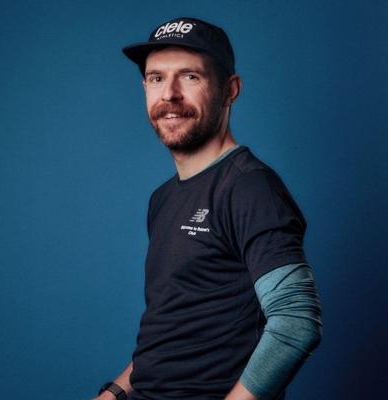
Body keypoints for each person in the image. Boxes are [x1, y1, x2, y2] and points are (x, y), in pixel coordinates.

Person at [94, 17, 322, 400]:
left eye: (190, 77)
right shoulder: (163, 198)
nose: (170, 94)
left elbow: (296, 323)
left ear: (230, 90)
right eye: (156, 78)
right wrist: (115, 392)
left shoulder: (250, 187)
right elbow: (174, 329)